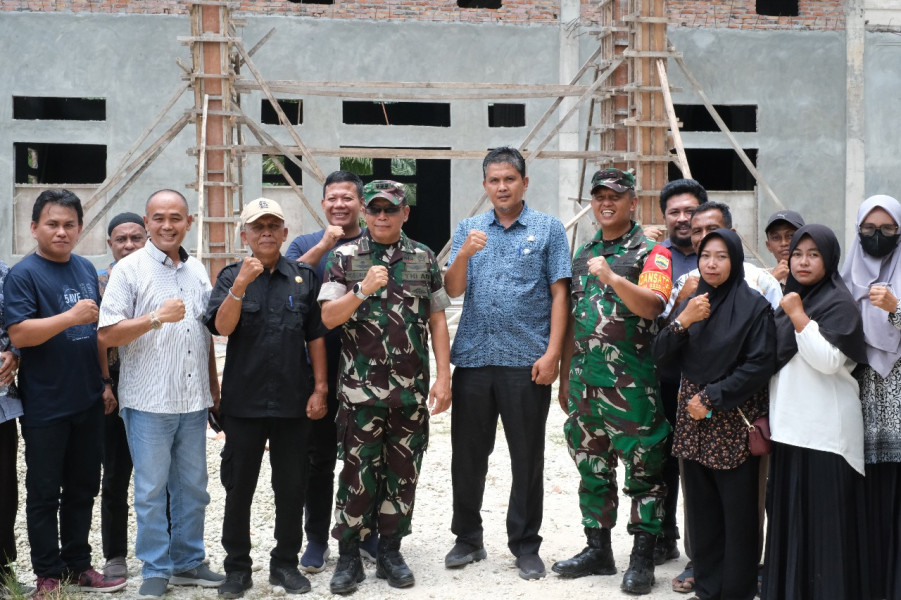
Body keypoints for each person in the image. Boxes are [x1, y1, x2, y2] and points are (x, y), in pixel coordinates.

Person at [443, 147, 571, 581]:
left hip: (526, 361)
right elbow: (453, 289)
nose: (502, 187)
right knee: (468, 456)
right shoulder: (469, 228)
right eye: (494, 180)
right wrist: (463, 254)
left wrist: (553, 353)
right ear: (485, 186)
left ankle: (525, 544)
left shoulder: (548, 229)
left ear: (524, 182)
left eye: (509, 179)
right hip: (475, 360)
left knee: (527, 458)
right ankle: (467, 538)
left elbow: (560, 293)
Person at [318, 180, 452, 594]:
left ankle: (391, 551)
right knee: (357, 475)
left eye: (390, 210)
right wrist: (361, 290)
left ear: (404, 214)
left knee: (402, 475)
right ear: (363, 213)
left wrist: (444, 376)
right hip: (360, 396)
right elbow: (328, 319)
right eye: (374, 209)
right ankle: (348, 558)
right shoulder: (343, 258)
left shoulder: (424, 258)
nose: (381, 216)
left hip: (409, 395)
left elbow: (437, 319)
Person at [98, 189, 224, 598]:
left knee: (193, 487)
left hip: (192, 400)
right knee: (151, 490)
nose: (167, 225)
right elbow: (106, 333)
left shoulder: (198, 270)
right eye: (158, 218)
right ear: (148, 223)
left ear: (190, 221)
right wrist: (154, 318)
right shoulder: (128, 270)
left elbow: (203, 334)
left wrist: (213, 389)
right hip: (148, 402)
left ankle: (188, 561)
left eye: (176, 217)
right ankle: (155, 566)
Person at [552, 168, 673, 594]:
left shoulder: (653, 252)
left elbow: (653, 308)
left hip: (632, 385)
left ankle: (642, 559)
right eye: (599, 195)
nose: (606, 203)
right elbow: (572, 320)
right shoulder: (583, 252)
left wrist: (614, 278)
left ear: (632, 203)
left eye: (615, 196)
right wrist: (566, 376)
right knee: (591, 467)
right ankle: (597, 550)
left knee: (644, 471)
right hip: (586, 385)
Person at [3, 189, 126, 598]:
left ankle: (77, 564)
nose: (61, 232)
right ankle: (47, 574)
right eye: (52, 224)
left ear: (79, 228)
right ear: (34, 227)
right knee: (43, 492)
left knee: (83, 486)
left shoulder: (84, 269)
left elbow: (95, 335)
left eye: (69, 224)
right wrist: (69, 316)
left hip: (87, 399)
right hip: (45, 404)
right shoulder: (24, 274)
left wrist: (103, 383)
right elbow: (20, 333)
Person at [205, 198, 328, 598]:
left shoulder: (303, 277)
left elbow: (315, 336)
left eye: (274, 225)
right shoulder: (229, 276)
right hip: (243, 404)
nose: (266, 233)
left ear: (284, 233)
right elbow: (222, 327)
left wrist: (321, 388)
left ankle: (285, 565)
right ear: (245, 235)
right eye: (258, 227)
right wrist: (240, 285)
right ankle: (237, 569)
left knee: (291, 487)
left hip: (294, 402)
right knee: (239, 487)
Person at [663, 201, 781, 594]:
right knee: (702, 509)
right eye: (704, 256)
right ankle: (708, 585)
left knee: (739, 511)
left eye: (720, 256)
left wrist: (712, 398)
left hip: (731, 418)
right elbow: (659, 354)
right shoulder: (694, 301)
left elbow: (759, 363)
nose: (711, 264)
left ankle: (736, 587)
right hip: (692, 419)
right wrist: (683, 319)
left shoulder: (754, 306)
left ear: (735, 259)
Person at [763, 224, 869, 599]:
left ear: (829, 259)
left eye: (813, 254)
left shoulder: (839, 303)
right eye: (797, 254)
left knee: (826, 530)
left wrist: (798, 315)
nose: (803, 261)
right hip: (789, 430)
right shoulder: (788, 297)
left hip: (828, 436)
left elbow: (827, 361)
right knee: (792, 526)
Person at [284, 171, 378, 571]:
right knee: (318, 459)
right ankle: (317, 539)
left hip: (370, 369)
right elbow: (284, 284)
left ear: (359, 203)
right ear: (322, 203)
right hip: (315, 368)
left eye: (347, 198)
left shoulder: (378, 242)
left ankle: (367, 534)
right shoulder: (305, 244)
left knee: (368, 458)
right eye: (332, 198)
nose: (339, 204)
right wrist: (324, 245)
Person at [840, 194, 901, 600]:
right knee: (860, 490)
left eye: (887, 230)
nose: (877, 236)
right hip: (856, 398)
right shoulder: (844, 279)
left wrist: (896, 308)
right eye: (868, 230)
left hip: (897, 403)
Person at [654, 178, 705, 568]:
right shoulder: (655, 257)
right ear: (665, 217)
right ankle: (663, 535)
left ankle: (702, 545)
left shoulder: (718, 256)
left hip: (710, 379)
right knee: (664, 459)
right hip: (666, 375)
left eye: (690, 211)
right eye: (675, 212)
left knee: (703, 465)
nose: (683, 218)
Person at [96, 212, 148, 579]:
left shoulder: (159, 274)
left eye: (135, 238)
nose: (128, 245)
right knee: (115, 474)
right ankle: (115, 553)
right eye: (121, 239)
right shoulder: (99, 281)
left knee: (159, 476)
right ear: (110, 244)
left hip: (153, 384)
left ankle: (164, 551)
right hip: (113, 386)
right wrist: (105, 383)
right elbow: (98, 334)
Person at [0, 260, 35, 599]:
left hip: (1, 403)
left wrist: (15, 353)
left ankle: (2, 571)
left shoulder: (6, 273)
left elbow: (24, 322)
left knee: (4, 491)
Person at [763, 210, 805, 290]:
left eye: (791, 236)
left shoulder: (816, 276)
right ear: (769, 246)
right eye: (776, 237)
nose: (784, 243)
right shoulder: (760, 278)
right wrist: (772, 281)